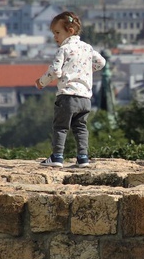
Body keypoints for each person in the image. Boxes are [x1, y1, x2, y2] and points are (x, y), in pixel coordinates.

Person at [36, 11, 106, 168]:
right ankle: (83, 158)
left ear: (70, 31)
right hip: (85, 99)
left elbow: (55, 71)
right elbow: (101, 62)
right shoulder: (87, 48)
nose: (55, 37)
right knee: (81, 128)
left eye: (57, 32)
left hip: (67, 96)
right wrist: (86, 70)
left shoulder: (64, 49)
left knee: (60, 127)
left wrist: (41, 82)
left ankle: (57, 157)